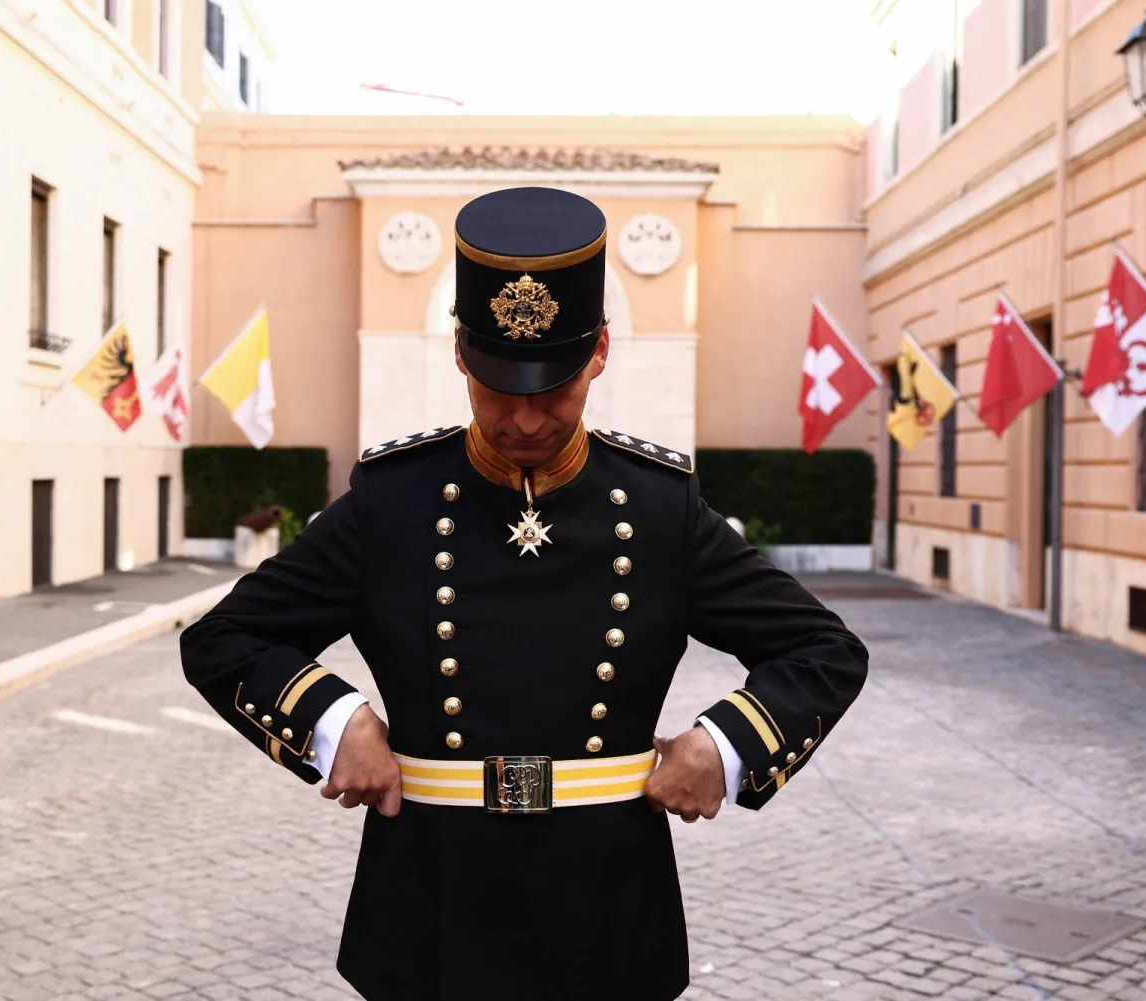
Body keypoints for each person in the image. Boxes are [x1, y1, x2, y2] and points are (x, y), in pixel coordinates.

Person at [180, 186, 869, 1001]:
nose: (528, 419)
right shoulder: (392, 503)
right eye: (500, 387)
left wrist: (723, 746)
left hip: (608, 902)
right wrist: (337, 722)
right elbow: (223, 638)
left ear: (601, 352)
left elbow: (824, 649)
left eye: (555, 388)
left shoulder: (657, 508)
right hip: (430, 903)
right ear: (463, 356)